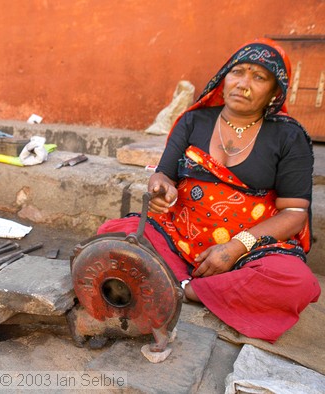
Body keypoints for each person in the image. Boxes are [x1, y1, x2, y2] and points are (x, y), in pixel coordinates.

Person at [98, 38, 321, 343]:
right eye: (238, 72)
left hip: (249, 248)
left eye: (259, 77)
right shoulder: (194, 120)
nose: (243, 84)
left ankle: (185, 289)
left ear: (274, 91)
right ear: (223, 77)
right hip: (180, 236)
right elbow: (164, 175)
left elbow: (294, 213)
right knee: (111, 235)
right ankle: (198, 285)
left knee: (297, 284)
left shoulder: (288, 136)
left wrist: (233, 249)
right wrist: (160, 188)